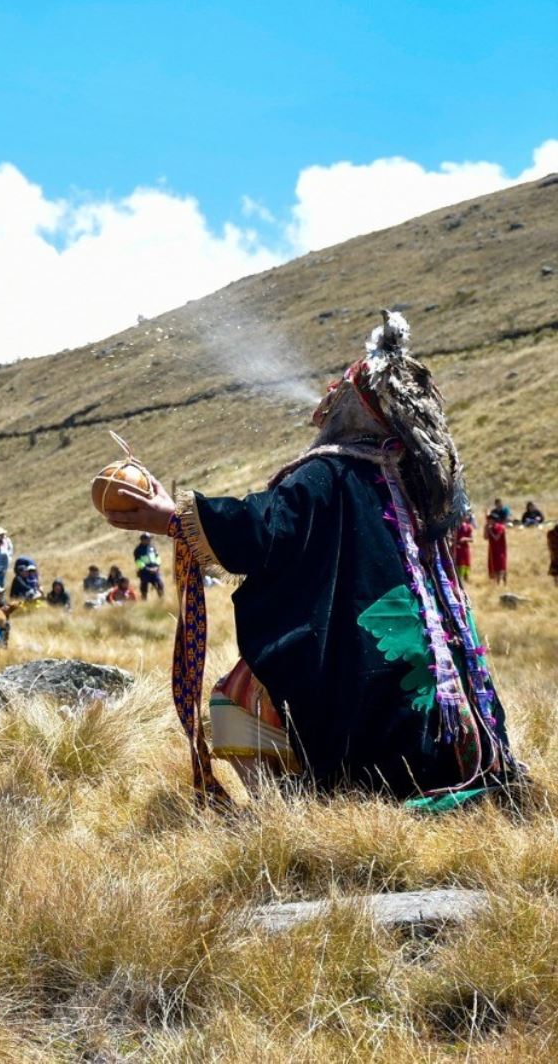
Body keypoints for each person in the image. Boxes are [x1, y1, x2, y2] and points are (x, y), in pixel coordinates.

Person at [103, 311, 520, 806]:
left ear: (355, 406)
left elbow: (262, 530)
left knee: (233, 697)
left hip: (374, 726)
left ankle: (292, 808)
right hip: (458, 736)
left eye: (338, 391)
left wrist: (174, 517)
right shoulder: (420, 489)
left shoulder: (327, 474)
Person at [133, 532, 165, 600]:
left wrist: (157, 566)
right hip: (145, 572)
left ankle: (161, 600)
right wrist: (147, 569)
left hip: (155, 570)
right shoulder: (137, 550)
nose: (149, 540)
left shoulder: (152, 547)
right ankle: (144, 601)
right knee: (144, 587)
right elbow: (138, 562)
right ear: (142, 540)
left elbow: (157, 557)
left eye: (149, 539)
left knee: (160, 584)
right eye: (148, 539)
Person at [486, 513, 509, 585]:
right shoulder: (490, 528)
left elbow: (497, 538)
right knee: (495, 567)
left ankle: (504, 582)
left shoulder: (500, 527)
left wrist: (490, 531)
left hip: (500, 550)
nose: (489, 521)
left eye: (489, 520)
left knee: (501, 567)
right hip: (492, 550)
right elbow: (485, 537)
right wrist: (485, 529)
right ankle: (497, 583)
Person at [452, 513, 475, 583]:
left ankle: (465, 580)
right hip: (456, 549)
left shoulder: (468, 527)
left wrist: (465, 539)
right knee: (456, 564)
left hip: (464, 550)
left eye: (465, 516)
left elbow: (472, 539)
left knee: (465, 564)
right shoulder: (455, 527)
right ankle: (458, 580)